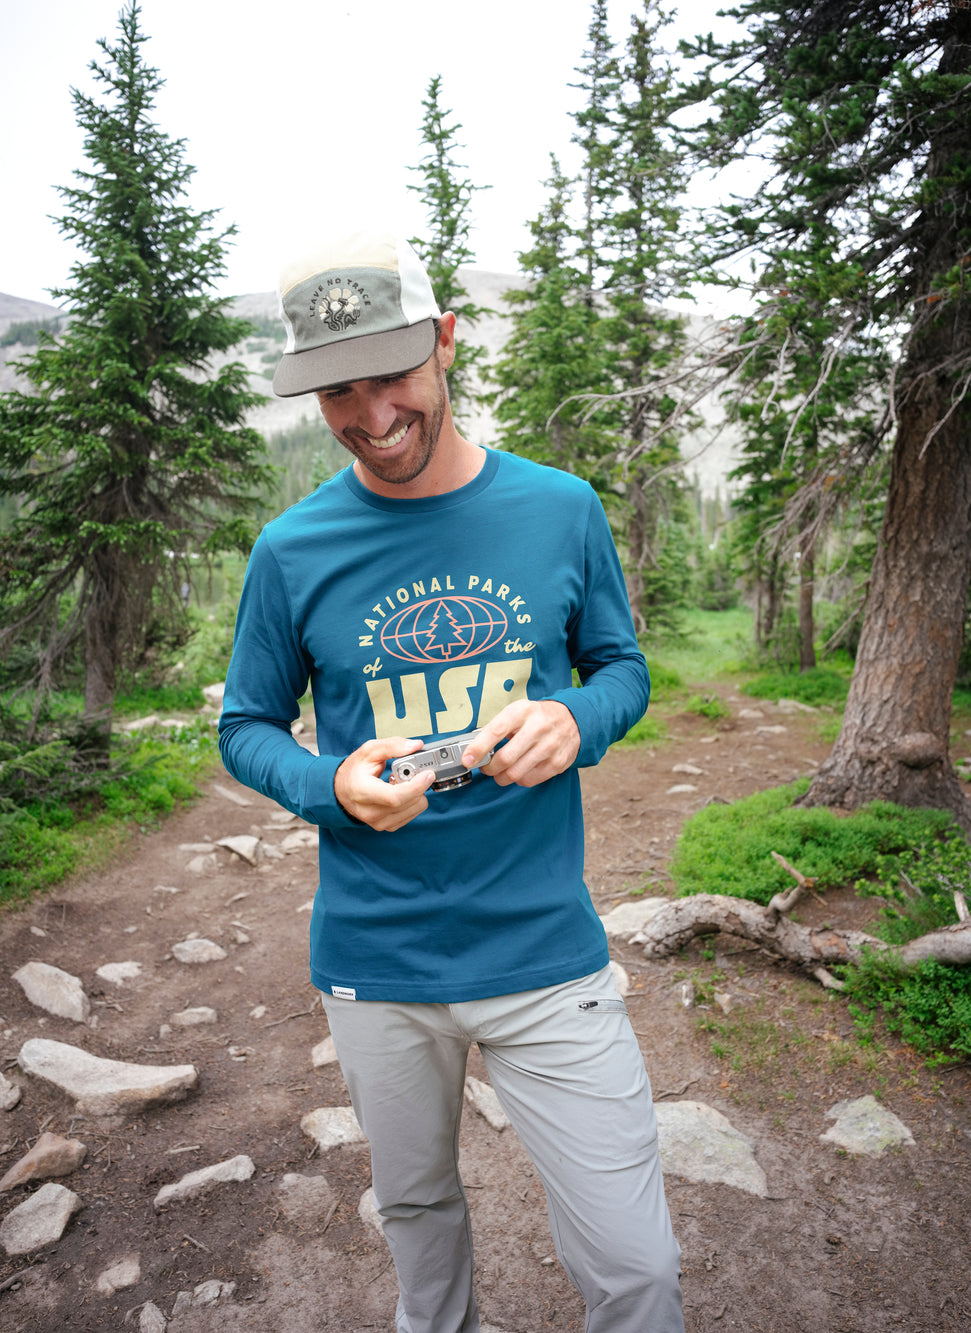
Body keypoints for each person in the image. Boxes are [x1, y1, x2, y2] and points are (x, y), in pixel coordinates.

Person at [218, 231, 685, 1333]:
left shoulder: (559, 508)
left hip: (543, 950)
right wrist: (331, 783)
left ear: (446, 340)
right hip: (377, 962)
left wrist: (575, 717)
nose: (370, 412)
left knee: (639, 1269)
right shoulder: (291, 549)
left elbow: (622, 668)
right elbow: (246, 725)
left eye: (391, 373)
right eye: (337, 387)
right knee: (418, 1213)